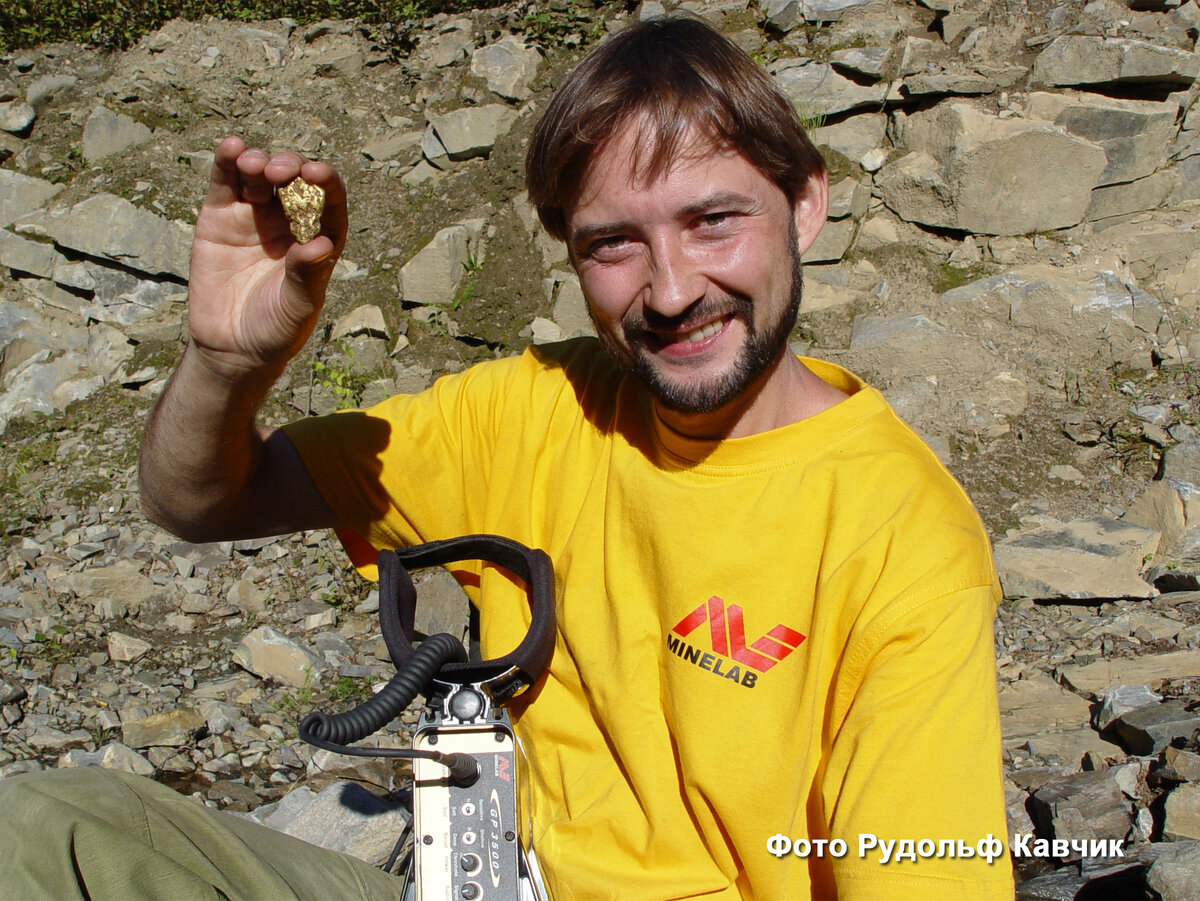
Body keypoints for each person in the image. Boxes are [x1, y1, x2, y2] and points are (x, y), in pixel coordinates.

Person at [0, 15, 1013, 900]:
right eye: (615, 243)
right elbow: (202, 502)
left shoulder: (901, 541)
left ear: (805, 207)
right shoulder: (533, 411)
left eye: (713, 220)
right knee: (48, 828)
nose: (669, 290)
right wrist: (225, 364)